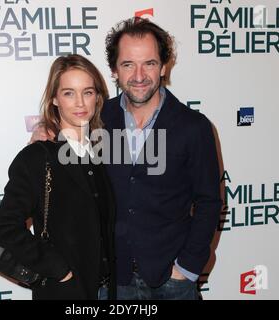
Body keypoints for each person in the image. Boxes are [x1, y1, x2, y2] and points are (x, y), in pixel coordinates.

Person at [31, 17, 222, 300]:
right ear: (114, 71)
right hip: (110, 280)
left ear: (164, 67)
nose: (139, 75)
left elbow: (209, 202)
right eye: (128, 64)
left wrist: (187, 267)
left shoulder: (193, 127)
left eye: (150, 63)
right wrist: (45, 128)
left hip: (171, 281)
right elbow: (60, 147)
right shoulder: (95, 120)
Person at [0, 54, 116, 300]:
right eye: (69, 93)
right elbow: (4, 227)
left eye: (88, 92)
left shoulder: (104, 152)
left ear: (98, 97)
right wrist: (58, 269)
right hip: (64, 291)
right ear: (54, 99)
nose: (80, 102)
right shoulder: (37, 157)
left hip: (107, 291)